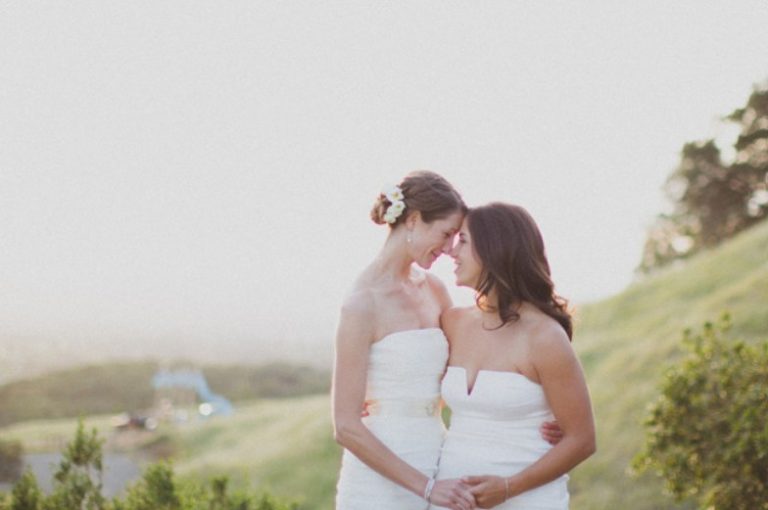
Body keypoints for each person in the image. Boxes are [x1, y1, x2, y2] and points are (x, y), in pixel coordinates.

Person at [433, 202, 596, 509]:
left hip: (527, 500)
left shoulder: (544, 337)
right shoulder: (453, 323)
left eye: (463, 241)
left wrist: (508, 488)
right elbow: (426, 393)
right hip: (453, 500)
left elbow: (583, 440)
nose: (451, 252)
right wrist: (377, 403)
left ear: (495, 248)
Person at [332, 170, 475, 510]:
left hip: (437, 456)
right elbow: (346, 427)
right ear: (412, 220)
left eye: (456, 237)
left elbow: (471, 365)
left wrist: (535, 417)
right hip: (378, 479)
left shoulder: (435, 290)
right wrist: (426, 488)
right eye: (445, 233)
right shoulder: (361, 303)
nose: (449, 247)